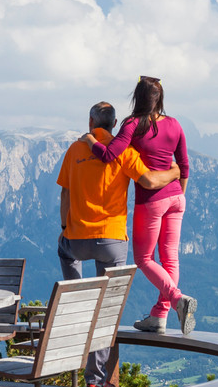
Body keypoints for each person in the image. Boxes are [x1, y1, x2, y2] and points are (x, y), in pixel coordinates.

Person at [57, 101, 181, 387]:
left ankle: (76, 298)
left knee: (64, 253)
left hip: (76, 239)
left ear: (90, 122)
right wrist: (176, 172)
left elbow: (65, 193)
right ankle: (95, 380)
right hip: (112, 240)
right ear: (114, 124)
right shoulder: (124, 151)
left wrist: (66, 229)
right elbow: (150, 180)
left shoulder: (75, 149)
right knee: (106, 311)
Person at [83, 77, 196, 337]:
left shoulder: (133, 124)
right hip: (177, 197)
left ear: (138, 97)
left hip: (152, 200)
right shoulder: (175, 124)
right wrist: (181, 196)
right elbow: (184, 166)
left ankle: (178, 301)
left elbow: (109, 155)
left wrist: (90, 140)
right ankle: (159, 316)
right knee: (170, 259)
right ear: (160, 98)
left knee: (144, 259)